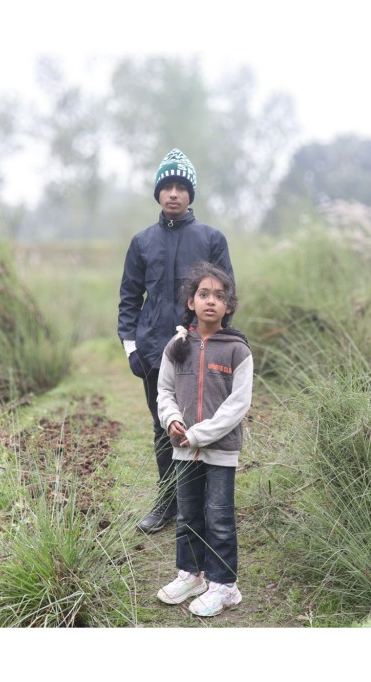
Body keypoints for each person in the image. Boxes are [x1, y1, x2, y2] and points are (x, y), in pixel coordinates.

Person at [117, 148, 235, 533]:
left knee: (202, 423)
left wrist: (218, 343)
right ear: (157, 193)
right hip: (153, 350)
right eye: (166, 187)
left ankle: (202, 504)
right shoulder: (142, 242)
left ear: (190, 194)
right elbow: (129, 297)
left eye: (181, 187)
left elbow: (225, 295)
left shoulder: (211, 239)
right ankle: (167, 503)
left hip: (199, 348)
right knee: (162, 425)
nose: (173, 193)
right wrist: (132, 348)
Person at [154, 261, 252, 617]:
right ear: (191, 302)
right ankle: (191, 574)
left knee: (219, 517)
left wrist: (198, 434)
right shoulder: (176, 345)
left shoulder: (237, 350)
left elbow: (238, 404)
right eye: (204, 294)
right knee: (187, 514)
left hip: (220, 451)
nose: (211, 301)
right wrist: (172, 420)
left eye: (219, 296)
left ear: (228, 306)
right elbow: (164, 391)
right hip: (184, 451)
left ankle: (224, 586)